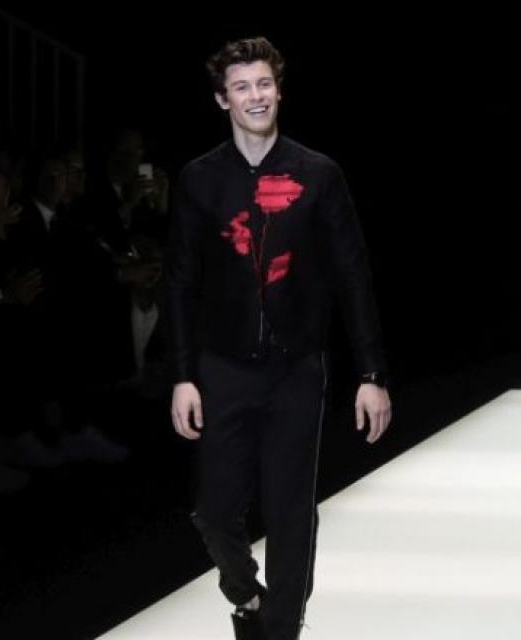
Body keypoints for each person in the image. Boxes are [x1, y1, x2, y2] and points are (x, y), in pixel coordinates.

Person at [166, 36, 392, 640]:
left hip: (297, 368)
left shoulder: (318, 174)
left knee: (291, 509)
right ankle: (245, 594)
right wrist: (182, 374)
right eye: (242, 86)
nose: (256, 96)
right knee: (214, 510)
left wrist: (371, 374)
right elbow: (180, 282)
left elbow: (352, 276)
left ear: (279, 90)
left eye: (263, 83)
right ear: (223, 99)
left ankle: (282, 626)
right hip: (223, 368)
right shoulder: (200, 180)